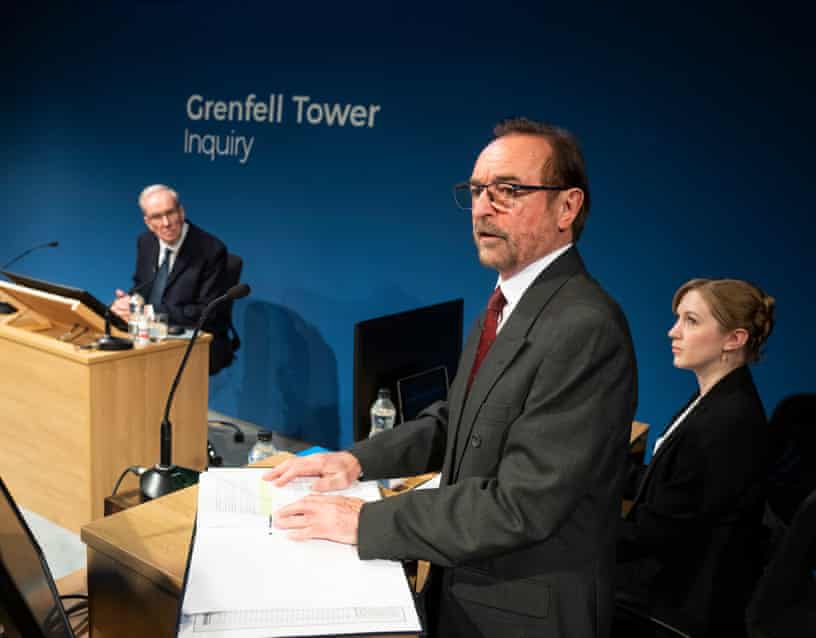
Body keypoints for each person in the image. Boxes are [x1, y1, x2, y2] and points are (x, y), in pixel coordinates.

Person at [264, 117, 638, 638]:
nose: (483, 207)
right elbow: (453, 421)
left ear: (567, 207)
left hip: (523, 612)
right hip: (465, 588)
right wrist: (355, 460)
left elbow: (520, 505)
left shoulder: (585, 326)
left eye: (508, 190)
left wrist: (363, 522)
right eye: (478, 190)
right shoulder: (507, 303)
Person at [614, 278, 776, 637]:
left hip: (676, 600)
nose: (673, 332)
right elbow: (670, 485)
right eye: (678, 319)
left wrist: (568, 530)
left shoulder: (726, 425)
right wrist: (605, 470)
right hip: (681, 570)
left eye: (691, 321)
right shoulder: (716, 399)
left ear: (734, 339)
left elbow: (654, 535)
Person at [111, 184, 235, 374]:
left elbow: (207, 314)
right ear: (148, 222)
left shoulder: (211, 251)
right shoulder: (146, 242)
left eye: (170, 213)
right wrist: (129, 303)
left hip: (194, 341)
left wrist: (148, 311)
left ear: (181, 212)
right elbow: (142, 287)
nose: (166, 223)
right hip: (151, 334)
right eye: (156, 217)